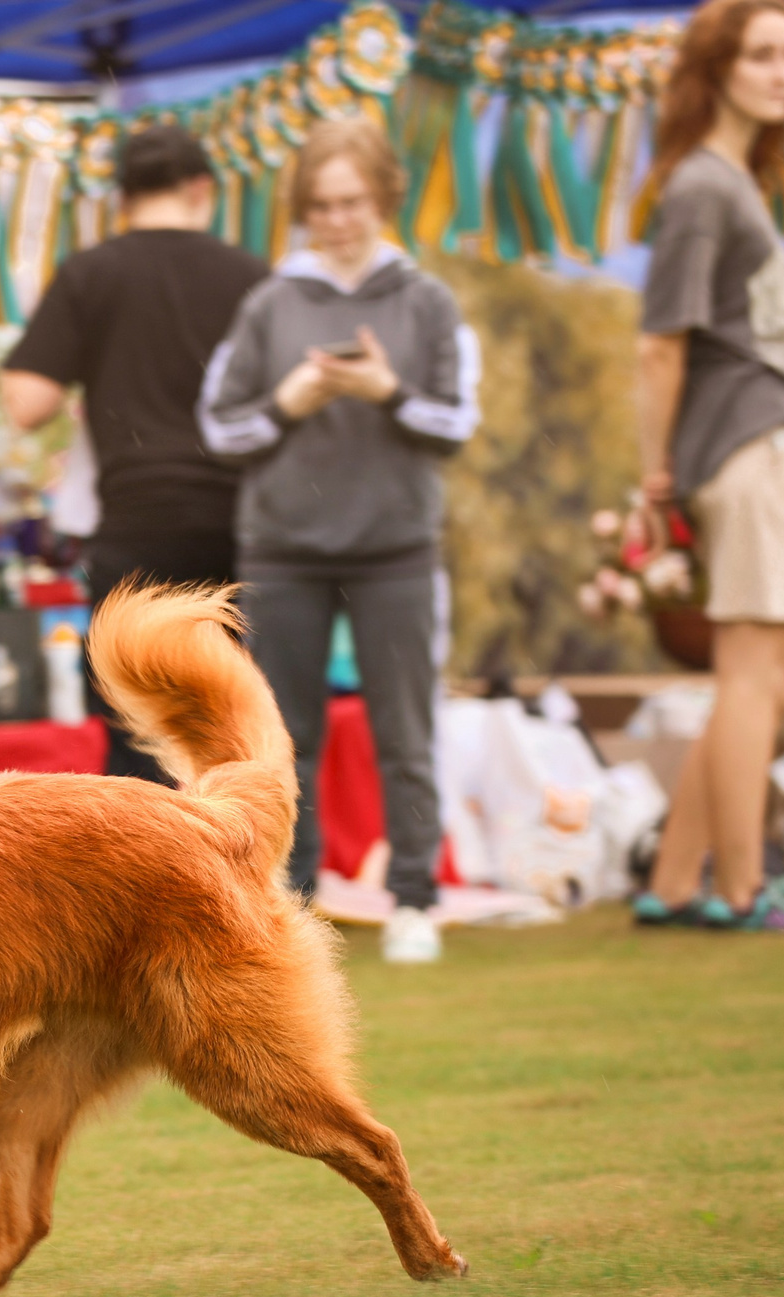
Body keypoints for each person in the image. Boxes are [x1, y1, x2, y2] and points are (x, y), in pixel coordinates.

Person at [196, 117, 479, 966]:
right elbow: (220, 428)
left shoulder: (427, 301)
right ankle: (292, 905)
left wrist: (387, 390)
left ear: (384, 199)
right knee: (283, 742)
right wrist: (290, 403)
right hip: (283, 547)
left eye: (352, 202)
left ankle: (415, 898)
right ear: (302, 211)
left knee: (405, 732)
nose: (338, 220)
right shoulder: (269, 304)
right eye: (320, 205)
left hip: (397, 547)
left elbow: (456, 424)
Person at [628, 0, 784, 931]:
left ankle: (675, 882)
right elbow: (658, 345)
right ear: (715, 70)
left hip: (768, 440)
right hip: (746, 446)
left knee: (782, 670)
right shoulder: (702, 188)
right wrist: (654, 479)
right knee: (754, 674)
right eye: (762, 54)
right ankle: (745, 891)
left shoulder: (731, 182)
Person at [0, 122, 270, 782]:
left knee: (140, 734)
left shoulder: (91, 274)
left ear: (122, 198)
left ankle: (151, 850)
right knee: (237, 738)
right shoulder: (253, 278)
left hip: (136, 527)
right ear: (201, 189)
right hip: (240, 532)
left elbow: (25, 402)